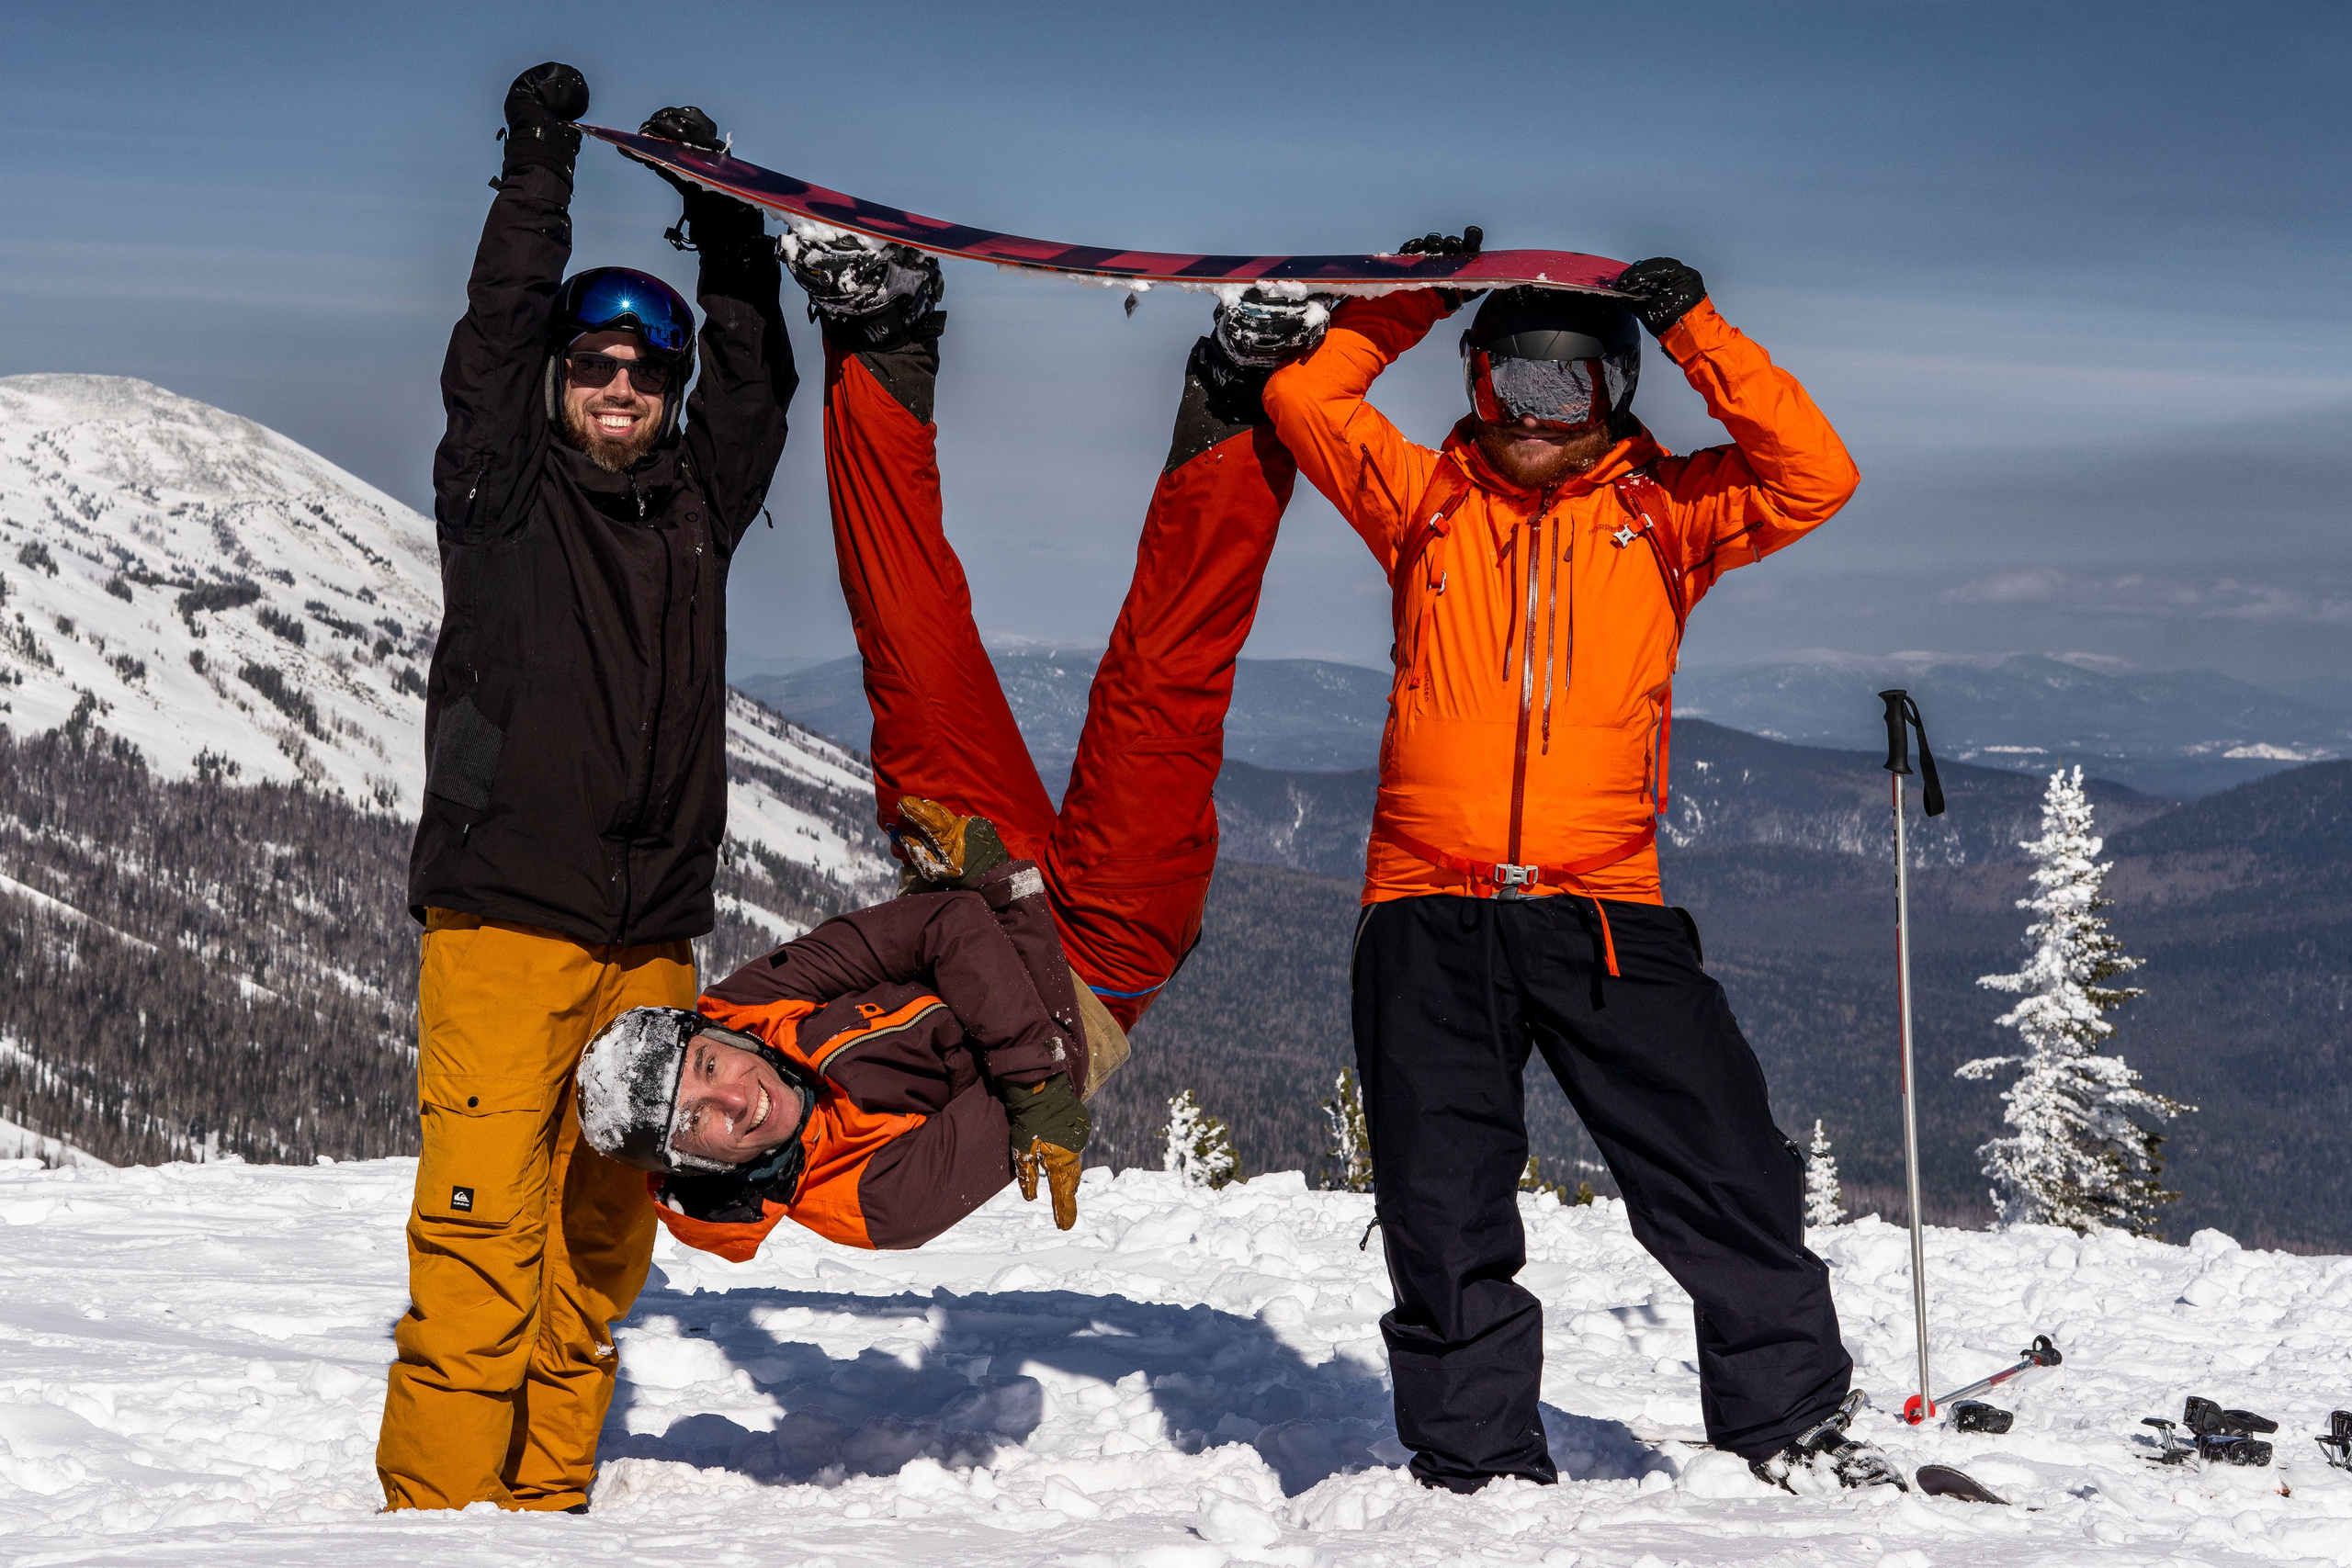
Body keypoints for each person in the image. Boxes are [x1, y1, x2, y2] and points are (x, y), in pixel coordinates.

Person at [1261, 242, 1890, 1494]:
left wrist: (1700, 331)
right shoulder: (1422, 498)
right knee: (1441, 1197)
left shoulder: (1668, 511)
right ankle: (1475, 1456)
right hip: (1426, 905)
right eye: (1511, 385)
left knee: (1722, 1164)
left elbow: (1816, 473)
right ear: (1476, 383)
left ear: (1616, 391)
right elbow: (1302, 395)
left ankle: (1788, 1420)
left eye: (1568, 390)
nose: (1535, 418)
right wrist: (1415, 297)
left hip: (1603, 906)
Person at [566, 243, 1329, 1259]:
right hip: (1099, 963)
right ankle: (1240, 398)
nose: (734, 1093)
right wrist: (1005, 972)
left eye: (706, 1066)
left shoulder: (740, 1015)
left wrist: (984, 914)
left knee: (907, 643)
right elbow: (1050, 1068)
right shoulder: (880, 1203)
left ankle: (880, 337)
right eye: (698, 1123)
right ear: (687, 1166)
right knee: (1162, 684)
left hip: (974, 880)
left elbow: (927, 932)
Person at [378, 66, 795, 1515]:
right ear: (560, 380)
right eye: (596, 365)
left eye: (647, 373)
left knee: (603, 1247)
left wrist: (723, 220)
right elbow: (494, 331)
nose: (622, 388)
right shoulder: (499, 493)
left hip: (650, 941)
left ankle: (546, 1508)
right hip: (504, 926)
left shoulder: (696, 512)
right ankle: (439, 1526)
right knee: (482, 1245)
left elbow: (757, 384)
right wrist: (538, 169)